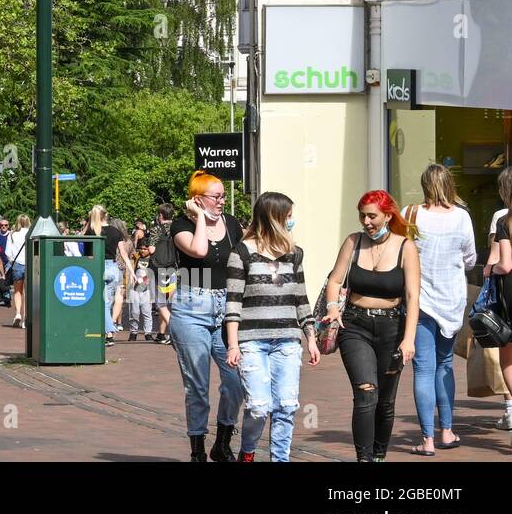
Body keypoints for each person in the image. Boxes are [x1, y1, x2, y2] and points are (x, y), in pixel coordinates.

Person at [322, 189, 420, 461]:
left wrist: (409, 338)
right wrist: (332, 309)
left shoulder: (405, 247)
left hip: (392, 328)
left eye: (372, 216)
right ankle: (364, 458)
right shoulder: (353, 242)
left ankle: (378, 454)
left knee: (385, 402)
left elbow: (412, 296)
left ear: (388, 215)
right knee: (366, 393)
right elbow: (334, 280)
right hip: (355, 326)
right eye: (362, 216)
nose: (366, 222)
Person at [223, 192, 320, 462]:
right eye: (288, 217)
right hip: (251, 340)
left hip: (288, 340)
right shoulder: (241, 253)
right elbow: (233, 302)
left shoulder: (294, 254)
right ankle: (248, 450)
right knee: (258, 407)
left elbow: (301, 298)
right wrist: (233, 345)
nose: (291, 221)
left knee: (286, 407)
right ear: (274, 218)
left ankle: (280, 459)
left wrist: (310, 336)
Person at [170, 170, 245, 462]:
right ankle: (198, 450)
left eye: (224, 195)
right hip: (192, 308)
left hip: (225, 309)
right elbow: (199, 250)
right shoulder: (181, 225)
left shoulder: (232, 224)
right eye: (216, 196)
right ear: (198, 199)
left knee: (236, 380)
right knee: (197, 385)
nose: (222, 201)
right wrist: (200, 216)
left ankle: (223, 441)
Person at [408, 164, 477, 455]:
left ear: (424, 185)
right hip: (451, 300)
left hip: (420, 300)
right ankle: (447, 431)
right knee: (445, 364)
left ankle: (427, 440)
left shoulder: (411, 214)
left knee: (423, 369)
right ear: (450, 184)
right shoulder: (462, 217)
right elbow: (471, 259)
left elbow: (402, 251)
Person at [486, 166, 512, 433]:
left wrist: (488, 269)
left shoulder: (505, 222)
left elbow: (504, 265)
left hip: (510, 296)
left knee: (508, 356)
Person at [91, 206, 130, 345]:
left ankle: (109, 332)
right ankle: (108, 331)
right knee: (108, 301)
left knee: (103, 303)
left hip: (98, 267)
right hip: (113, 268)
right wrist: (131, 270)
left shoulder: (92, 231)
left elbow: (84, 250)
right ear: (106, 215)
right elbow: (123, 253)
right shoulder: (116, 231)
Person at [148, 203, 175, 343]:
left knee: (160, 303)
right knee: (167, 303)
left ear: (160, 215)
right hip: (172, 267)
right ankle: (161, 334)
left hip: (158, 268)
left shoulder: (156, 229)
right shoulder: (177, 228)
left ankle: (175, 331)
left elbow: (152, 250)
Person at [4, 213, 31, 328]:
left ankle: (18, 314)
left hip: (17, 265)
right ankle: (26, 319)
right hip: (30, 264)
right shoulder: (32, 234)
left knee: (18, 291)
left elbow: (7, 252)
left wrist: (12, 261)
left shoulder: (12, 234)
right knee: (28, 293)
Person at [0, 218, 12, 307]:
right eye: (2, 225)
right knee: (1, 280)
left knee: (6, 281)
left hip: (9, 261)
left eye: (5, 225)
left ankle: (7, 298)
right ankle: (4, 298)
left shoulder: (11, 235)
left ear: (8, 226)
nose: (3, 227)